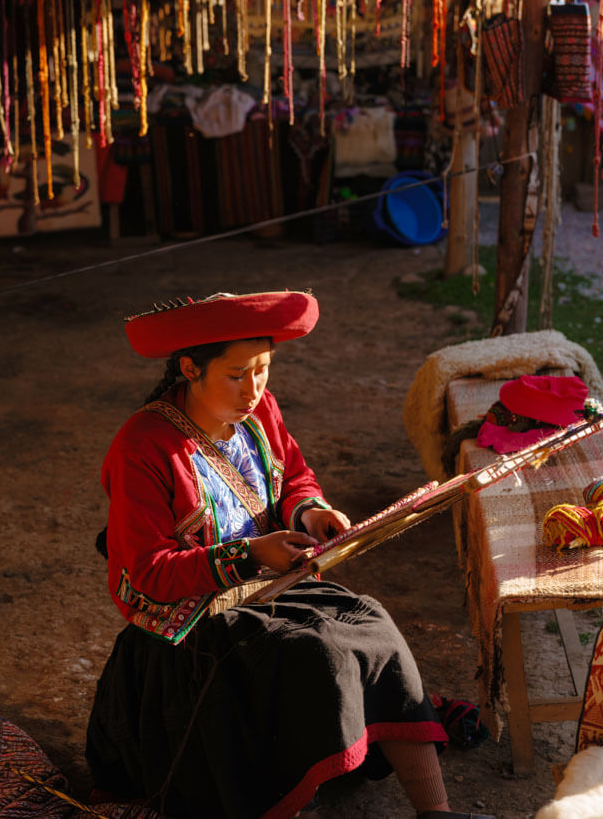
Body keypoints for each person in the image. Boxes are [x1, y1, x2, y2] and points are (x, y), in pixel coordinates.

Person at [86, 291, 489, 819]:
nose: (253, 389)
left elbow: (295, 477)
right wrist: (252, 555)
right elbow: (146, 574)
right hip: (192, 628)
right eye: (236, 374)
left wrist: (310, 514)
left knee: (371, 622)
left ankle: (436, 813)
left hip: (271, 587)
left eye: (263, 370)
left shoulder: (259, 413)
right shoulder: (143, 448)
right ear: (190, 368)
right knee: (316, 654)